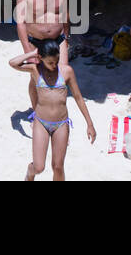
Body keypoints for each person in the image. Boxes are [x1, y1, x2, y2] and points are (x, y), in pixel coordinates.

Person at [9, 40, 96, 180]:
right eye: (50, 62)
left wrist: (90, 124)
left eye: (56, 61)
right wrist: (32, 53)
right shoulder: (35, 70)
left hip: (61, 124)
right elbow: (13, 63)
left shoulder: (67, 71)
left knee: (58, 166)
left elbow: (79, 98)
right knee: (39, 167)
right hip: (41, 123)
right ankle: (29, 174)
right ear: (40, 58)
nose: (54, 65)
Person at [15, 0, 72, 106]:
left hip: (58, 39)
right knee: (36, 79)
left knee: (62, 76)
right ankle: (36, 111)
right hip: (36, 41)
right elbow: (20, 23)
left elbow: (65, 13)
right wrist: (27, 50)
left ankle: (58, 111)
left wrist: (67, 37)